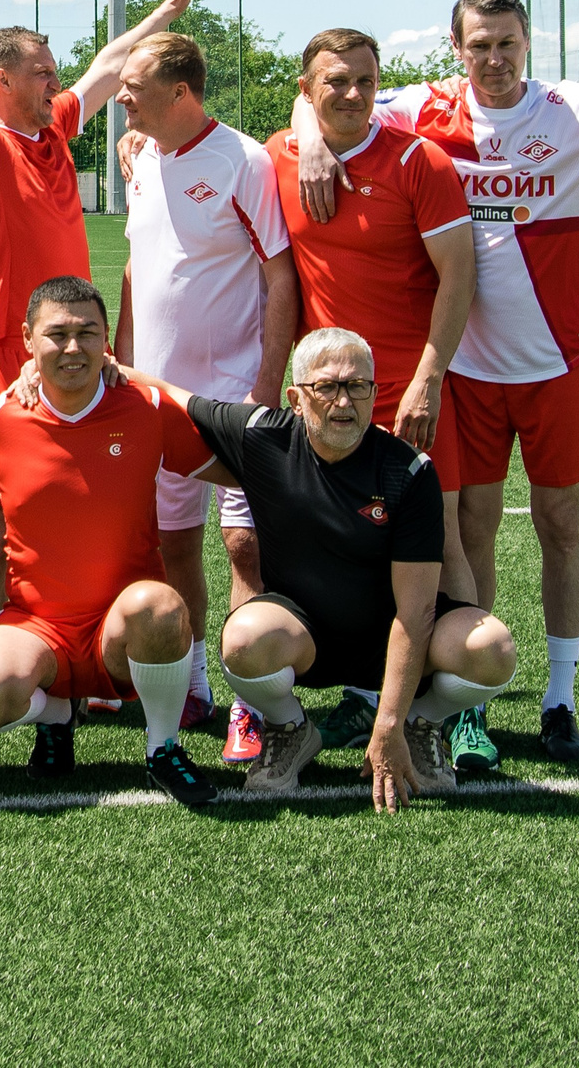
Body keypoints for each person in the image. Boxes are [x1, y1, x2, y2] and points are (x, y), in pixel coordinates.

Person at [291, 0, 579, 767]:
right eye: (479, 45)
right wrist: (310, 133)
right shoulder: (422, 108)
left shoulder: (574, 110)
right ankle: (471, 705)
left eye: (507, 43)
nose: (494, 58)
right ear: (456, 48)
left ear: (528, 42)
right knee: (468, 531)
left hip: (555, 361)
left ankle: (559, 698)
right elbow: (328, 93)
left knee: (560, 528)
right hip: (463, 369)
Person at [0, 0, 209, 665]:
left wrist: (164, 14)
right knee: (2, 512)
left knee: (83, 503)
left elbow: (105, 65)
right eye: (41, 73)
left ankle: (79, 640)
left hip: (80, 348)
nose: (57, 83)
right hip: (13, 349)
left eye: (55, 75)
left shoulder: (53, 128)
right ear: (2, 81)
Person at [136, 327, 518, 809]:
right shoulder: (263, 436)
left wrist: (390, 723)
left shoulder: (409, 472)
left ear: (375, 393)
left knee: (493, 648)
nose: (344, 402)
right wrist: (98, 365)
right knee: (243, 641)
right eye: (328, 387)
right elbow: (171, 396)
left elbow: (416, 612)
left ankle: (423, 724)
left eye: (359, 386)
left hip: (397, 638)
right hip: (306, 636)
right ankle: (293, 730)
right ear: (296, 398)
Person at [263, 28, 479, 766]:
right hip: (330, 397)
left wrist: (428, 375)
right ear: (306, 90)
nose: (352, 94)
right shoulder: (278, 156)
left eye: (365, 80)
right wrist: (139, 148)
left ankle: (463, 712)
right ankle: (367, 694)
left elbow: (459, 275)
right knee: (347, 542)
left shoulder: (421, 161)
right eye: (335, 82)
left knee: (441, 539)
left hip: (408, 389)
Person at [0, 276, 222, 808]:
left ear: (107, 339)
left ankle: (162, 747)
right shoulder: (2, 417)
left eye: (88, 333)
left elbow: (224, 466)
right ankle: (56, 714)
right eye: (57, 334)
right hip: (38, 628)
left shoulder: (144, 407)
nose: (73, 348)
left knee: (159, 605)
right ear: (27, 339)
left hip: (120, 626)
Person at [113, 31, 300, 758]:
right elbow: (137, 269)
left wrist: (264, 384)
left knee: (245, 545)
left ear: (181, 92)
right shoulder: (142, 157)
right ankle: (194, 684)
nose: (121, 96)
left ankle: (249, 702)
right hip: (155, 396)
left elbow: (279, 275)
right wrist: (121, 367)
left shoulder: (242, 160)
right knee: (171, 544)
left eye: (133, 84)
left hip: (231, 397)